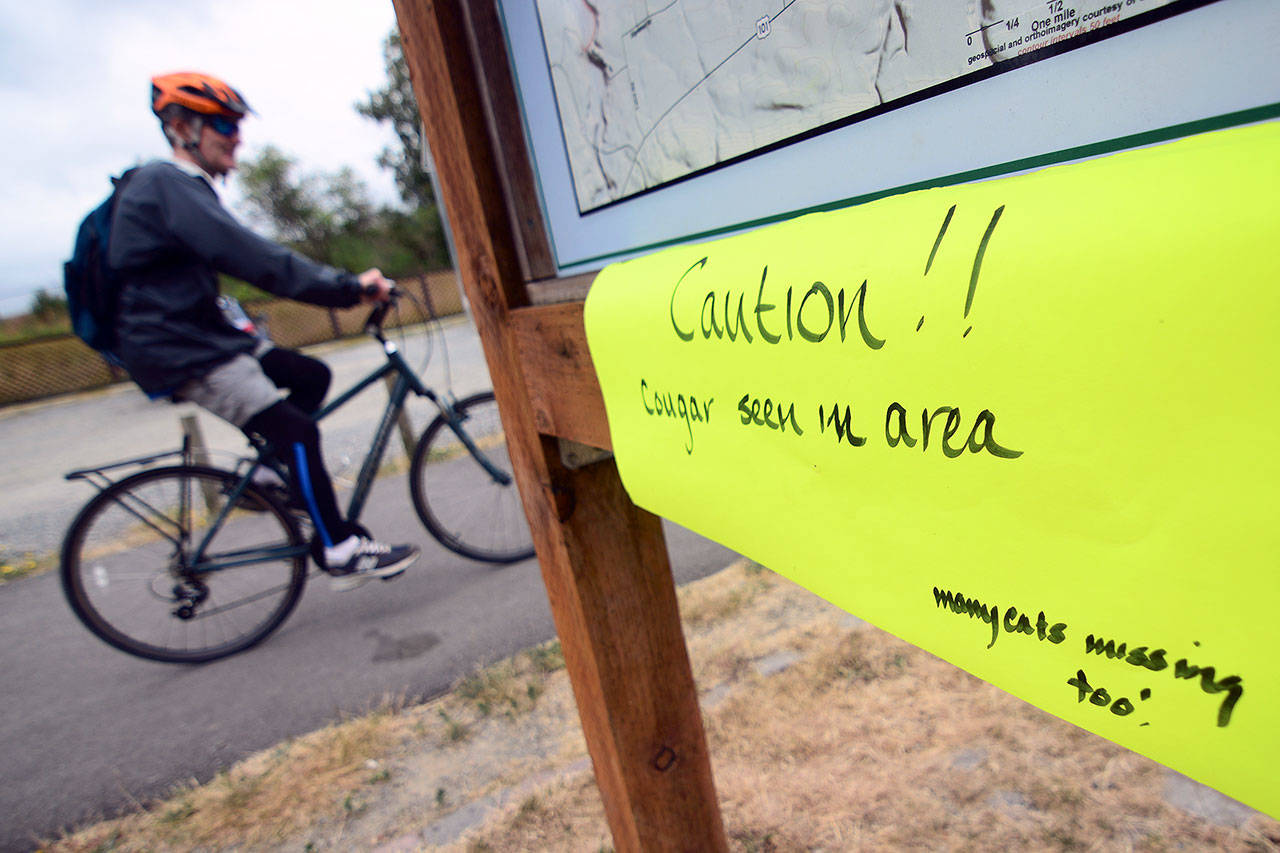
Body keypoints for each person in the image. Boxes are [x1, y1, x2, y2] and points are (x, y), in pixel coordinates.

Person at [107, 70, 419, 590]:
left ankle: (270, 477)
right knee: (298, 431)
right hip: (181, 349)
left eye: (237, 126)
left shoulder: (178, 189)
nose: (237, 138)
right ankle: (340, 549)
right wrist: (348, 288)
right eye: (224, 125)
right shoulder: (166, 184)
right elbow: (256, 259)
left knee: (311, 376)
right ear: (181, 128)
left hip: (201, 336)